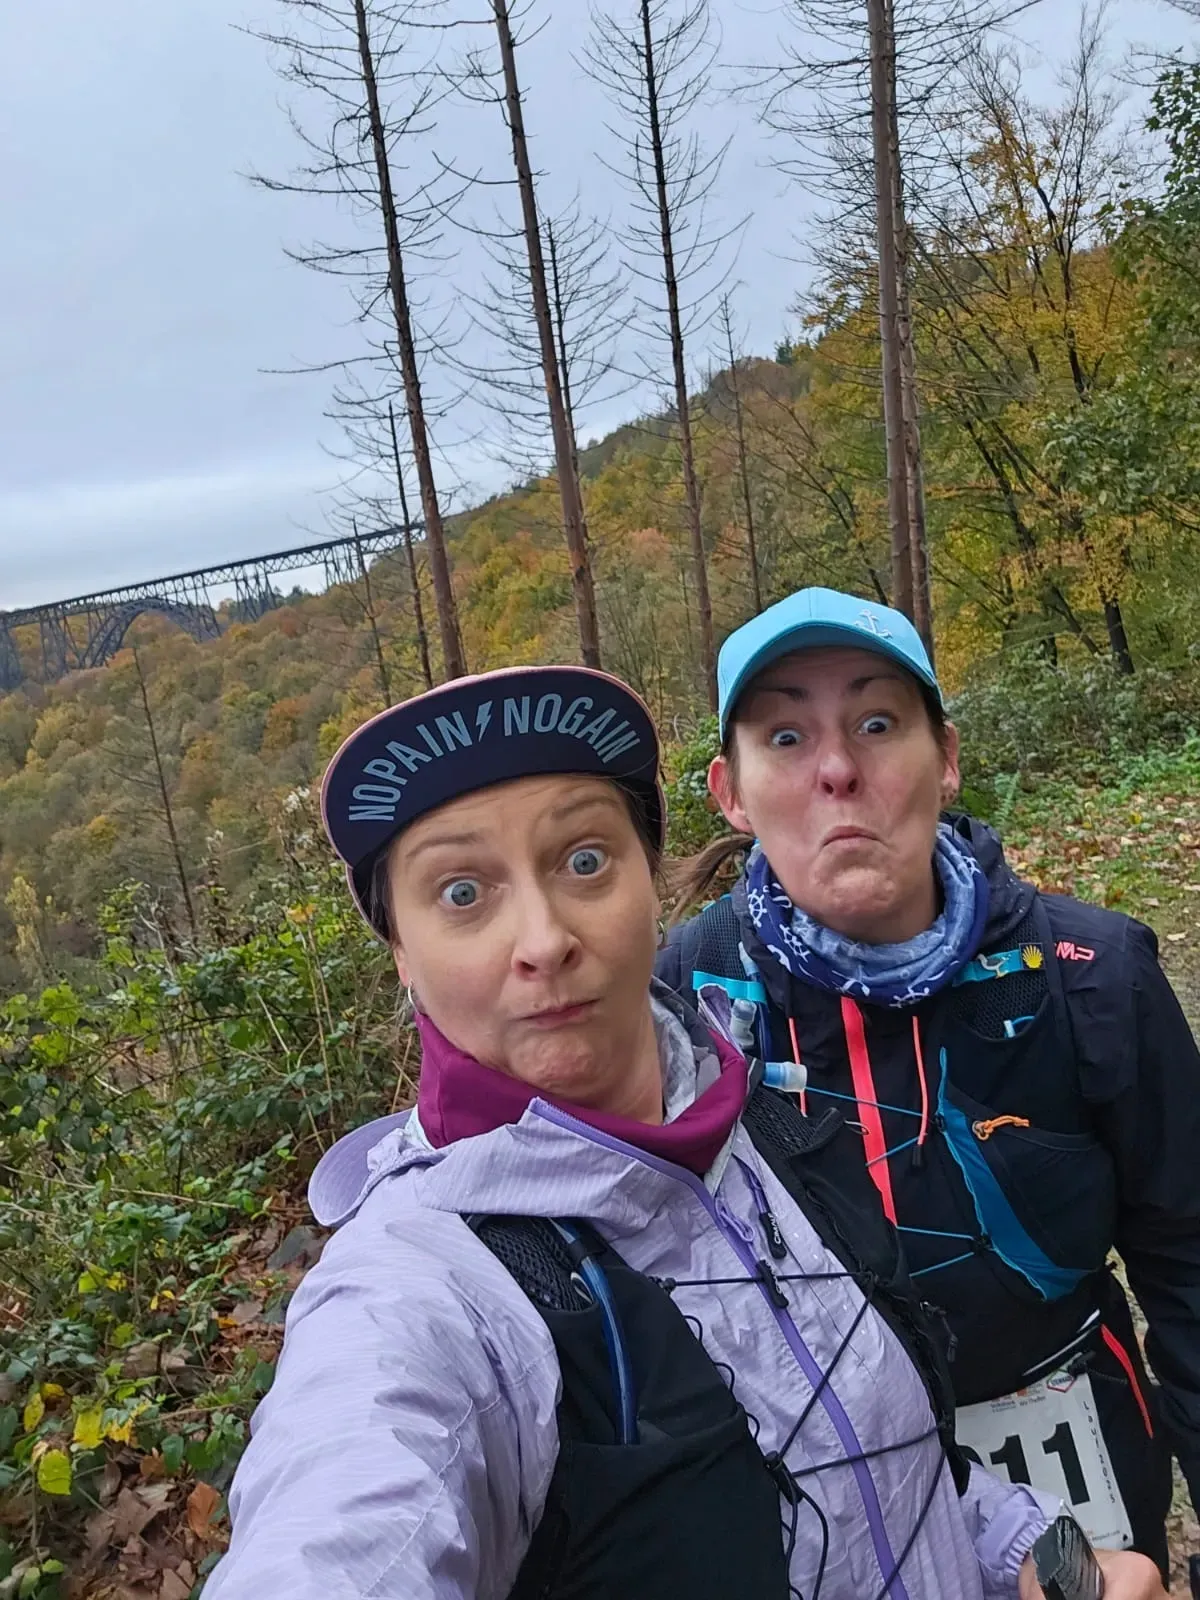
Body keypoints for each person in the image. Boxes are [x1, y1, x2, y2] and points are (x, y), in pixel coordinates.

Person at [203, 663, 1166, 1600]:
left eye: (585, 860)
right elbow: (343, 1523)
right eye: (462, 892)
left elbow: (895, 1470)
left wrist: (1040, 1560)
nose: (542, 940)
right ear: (400, 951)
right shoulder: (424, 1296)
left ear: (650, 885)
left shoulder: (756, 1130)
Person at [658, 584, 1200, 1579]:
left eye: (876, 721)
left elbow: (1189, 1261)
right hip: (822, 1515)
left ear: (944, 758)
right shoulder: (680, 1006)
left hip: (1086, 1486)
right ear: (728, 792)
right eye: (784, 735)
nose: (836, 769)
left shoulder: (1093, 976)